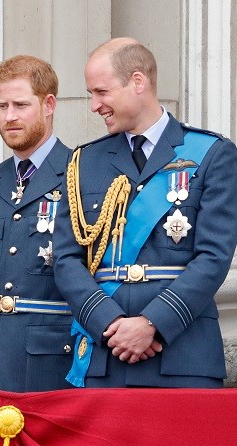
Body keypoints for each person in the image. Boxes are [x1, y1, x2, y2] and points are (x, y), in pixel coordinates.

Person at [53, 37, 237, 388]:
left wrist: (152, 322)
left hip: (184, 352)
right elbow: (65, 259)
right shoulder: (84, 162)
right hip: (105, 352)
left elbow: (213, 257)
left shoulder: (212, 153)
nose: (94, 105)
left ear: (138, 82)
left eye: (101, 92)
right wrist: (110, 323)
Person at [0, 55, 75, 392]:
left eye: (21, 105)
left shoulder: (79, 175)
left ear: (48, 104)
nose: (9, 117)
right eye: (2, 106)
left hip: (52, 361)